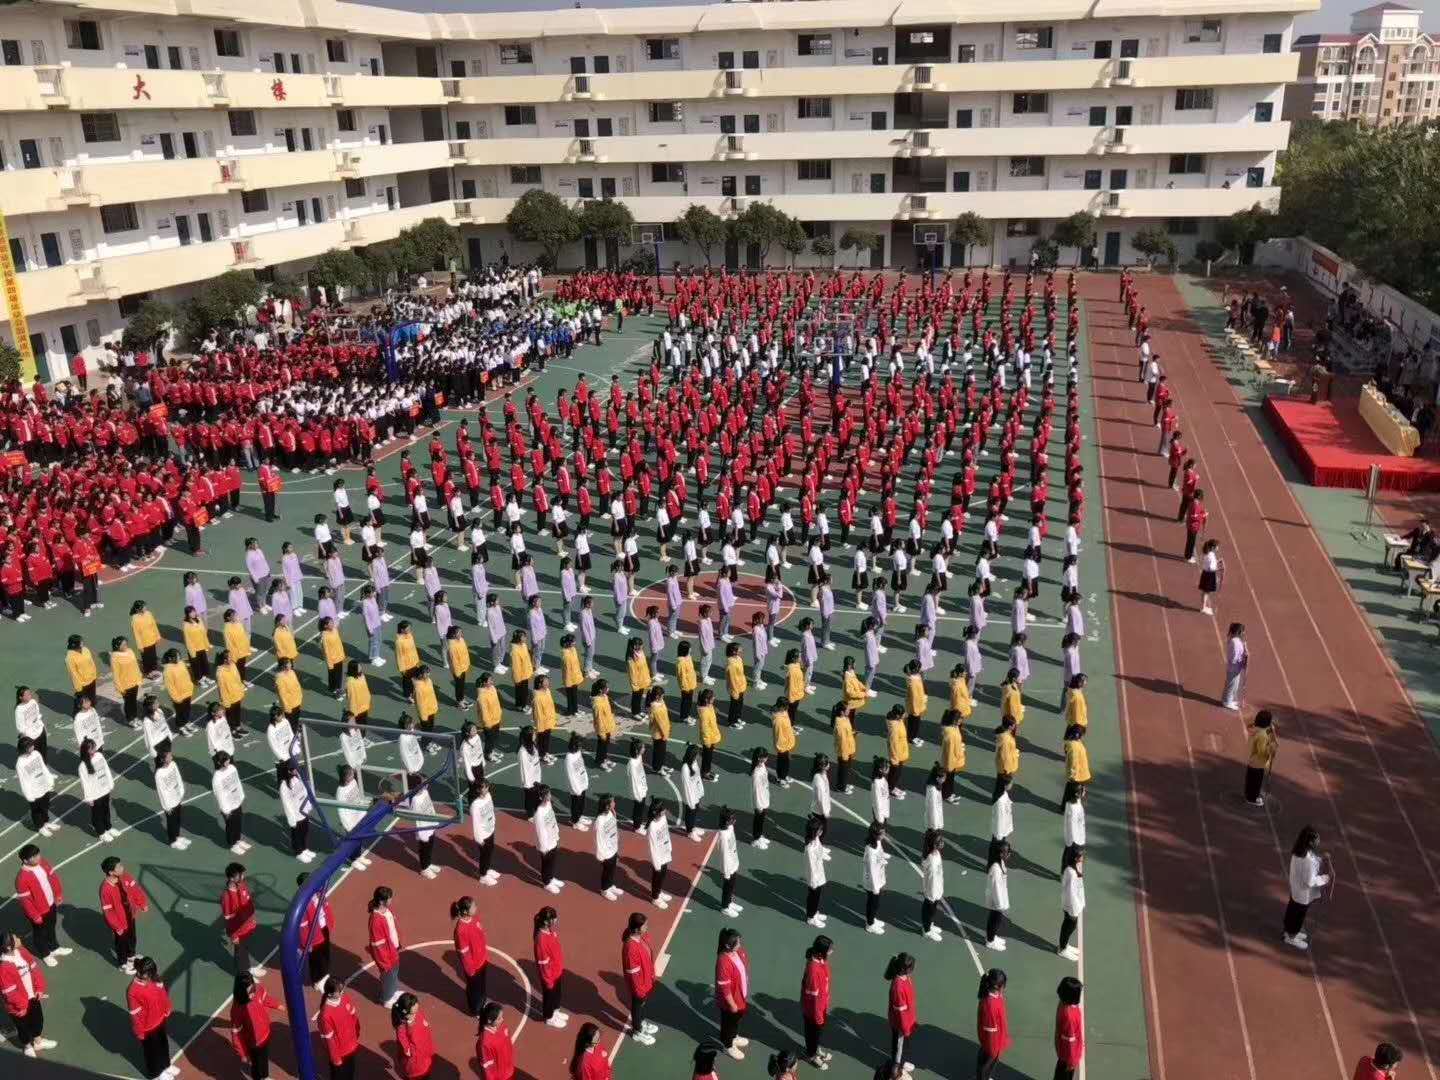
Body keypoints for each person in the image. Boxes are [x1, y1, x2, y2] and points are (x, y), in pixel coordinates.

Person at [0, 930, 53, 1058]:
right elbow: (10, 993)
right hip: (18, 1006)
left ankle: (38, 1042)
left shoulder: (22, 952)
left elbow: (35, 969)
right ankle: (27, 1046)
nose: (18, 938)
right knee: (23, 1027)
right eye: (15, 938)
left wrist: (39, 989)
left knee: (37, 1020)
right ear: (9, 947)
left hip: (32, 997)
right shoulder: (3, 968)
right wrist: (22, 1006)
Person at [15, 845, 69, 968]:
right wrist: (34, 915)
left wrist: (58, 893)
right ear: (25, 860)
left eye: (38, 854)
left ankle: (54, 947)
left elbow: (53, 877)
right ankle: (45, 954)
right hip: (38, 912)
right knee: (40, 933)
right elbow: (25, 901)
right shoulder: (22, 878)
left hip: (51, 904)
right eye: (34, 856)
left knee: (51, 927)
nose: (38, 857)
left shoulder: (43, 863)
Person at [127, 956, 178, 1080]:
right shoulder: (133, 991)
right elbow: (135, 1015)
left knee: (163, 1045)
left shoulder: (154, 978)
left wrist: (167, 1008)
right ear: (143, 973)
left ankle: (166, 1065)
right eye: (150, 974)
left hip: (160, 1020)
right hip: (148, 1028)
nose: (153, 976)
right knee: (152, 1052)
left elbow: (163, 994)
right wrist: (140, 1032)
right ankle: (155, 1074)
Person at [228, 970, 281, 1080]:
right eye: (249, 992)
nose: (253, 993)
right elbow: (236, 1034)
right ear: (241, 991)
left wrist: (277, 1005)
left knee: (264, 1058)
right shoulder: (237, 1009)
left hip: (265, 1035)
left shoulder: (257, 990)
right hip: (253, 1044)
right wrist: (243, 1053)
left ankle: (265, 1077)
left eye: (253, 989)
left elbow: (265, 998)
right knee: (256, 1066)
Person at [1283, 825, 1329, 950]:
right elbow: (1310, 881)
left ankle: (1288, 932)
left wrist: (1321, 858)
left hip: (1296, 889)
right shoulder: (1307, 859)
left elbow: (1311, 860)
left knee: (1292, 910)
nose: (1318, 841)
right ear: (1310, 842)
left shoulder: (1298, 852)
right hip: (1303, 894)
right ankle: (1291, 937)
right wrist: (1324, 879)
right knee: (1298, 916)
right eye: (1316, 840)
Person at [100, 856, 148, 971]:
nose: (122, 868)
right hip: (120, 922)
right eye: (119, 867)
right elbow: (108, 911)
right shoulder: (105, 889)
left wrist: (142, 903)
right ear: (111, 872)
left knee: (132, 937)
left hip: (130, 915)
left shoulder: (125, 877)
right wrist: (117, 926)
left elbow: (135, 889)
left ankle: (131, 956)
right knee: (121, 943)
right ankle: (123, 963)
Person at [621, 912, 660, 1046]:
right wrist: (639, 990)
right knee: (637, 1006)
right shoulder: (631, 948)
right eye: (645, 925)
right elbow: (633, 974)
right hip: (639, 986)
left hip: (645, 981)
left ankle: (640, 1022)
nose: (647, 927)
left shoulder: (640, 937)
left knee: (640, 1005)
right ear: (637, 929)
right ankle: (637, 1031)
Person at [220, 863, 262, 979]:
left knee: (246, 949)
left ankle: (248, 968)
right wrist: (234, 936)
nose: (243, 877)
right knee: (240, 955)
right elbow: (229, 919)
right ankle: (244, 975)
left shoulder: (242, 884)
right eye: (240, 875)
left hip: (248, 926)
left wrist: (252, 919)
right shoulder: (227, 897)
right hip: (238, 932)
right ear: (231, 878)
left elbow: (248, 902)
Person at [715, 928, 750, 1060]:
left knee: (735, 1021)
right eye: (737, 943)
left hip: (739, 997)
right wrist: (732, 1004)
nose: (740, 945)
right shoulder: (723, 962)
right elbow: (724, 988)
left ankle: (733, 1036)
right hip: (731, 1002)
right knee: (728, 1023)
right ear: (728, 946)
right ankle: (728, 1045)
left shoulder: (738, 952)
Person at [450, 896, 489, 1017]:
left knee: (481, 986)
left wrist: (484, 955)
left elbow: (481, 937)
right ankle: (475, 1010)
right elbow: (464, 953)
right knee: (474, 989)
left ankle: (482, 1002)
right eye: (473, 906)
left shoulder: (475, 919)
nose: (476, 907)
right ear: (466, 911)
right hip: (473, 967)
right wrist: (470, 971)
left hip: (482, 960)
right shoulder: (460, 930)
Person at [318, 977, 362, 1080]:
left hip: (350, 1046)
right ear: (330, 994)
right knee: (339, 1076)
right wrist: (336, 1059)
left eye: (342, 989)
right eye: (340, 991)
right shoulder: (325, 1015)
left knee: (350, 1072)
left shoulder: (345, 998)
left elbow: (353, 1016)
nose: (343, 992)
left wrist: (356, 1033)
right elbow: (329, 1041)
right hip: (340, 1053)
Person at [800, 935, 833, 1069]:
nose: (832, 951)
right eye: (829, 949)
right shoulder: (814, 971)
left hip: (819, 1007)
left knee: (816, 1034)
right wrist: (818, 1016)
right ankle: (811, 1055)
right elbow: (813, 999)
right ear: (821, 952)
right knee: (813, 1034)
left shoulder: (820, 960)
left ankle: (814, 1050)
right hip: (813, 1012)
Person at [367, 886, 403, 1006]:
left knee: (394, 974)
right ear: (382, 901)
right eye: (389, 898)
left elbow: (392, 928)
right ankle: (387, 999)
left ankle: (392, 991)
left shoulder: (387, 911)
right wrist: (384, 963)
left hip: (393, 950)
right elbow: (378, 946)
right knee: (388, 976)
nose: (391, 900)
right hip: (387, 956)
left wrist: (397, 943)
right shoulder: (376, 921)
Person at [534, 906, 569, 1028]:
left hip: (556, 971)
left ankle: (555, 1011)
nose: (555, 920)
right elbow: (543, 963)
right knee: (549, 997)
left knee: (556, 995)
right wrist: (548, 981)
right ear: (545, 921)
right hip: (550, 976)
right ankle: (549, 1017)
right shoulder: (541, 940)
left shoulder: (549, 931)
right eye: (553, 919)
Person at [975, 968, 1011, 1080]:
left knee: (985, 1063)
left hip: (993, 1043)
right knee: (986, 1066)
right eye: (1003, 985)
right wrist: (994, 1051)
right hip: (992, 1045)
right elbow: (990, 1033)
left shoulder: (994, 997)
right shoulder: (990, 1006)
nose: (1004, 987)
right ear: (996, 987)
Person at [884, 952, 918, 1072]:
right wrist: (905, 1028)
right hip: (902, 1025)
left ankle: (901, 1063)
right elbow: (900, 1014)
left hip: (907, 1022)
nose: (913, 969)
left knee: (903, 1047)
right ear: (904, 969)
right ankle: (896, 1070)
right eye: (912, 967)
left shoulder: (906, 977)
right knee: (899, 1048)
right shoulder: (898, 988)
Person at [391, 993, 435, 1080]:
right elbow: (407, 1051)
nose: (416, 1015)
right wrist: (410, 1027)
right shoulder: (401, 1029)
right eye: (412, 1013)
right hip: (416, 1068)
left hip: (425, 1060)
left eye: (417, 1010)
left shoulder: (419, 1014)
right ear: (405, 1013)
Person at [1054, 976, 1085, 1080]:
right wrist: (1071, 1062)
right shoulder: (1069, 1015)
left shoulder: (1063, 1006)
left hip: (1065, 1056)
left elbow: (1069, 1042)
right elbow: (1070, 1042)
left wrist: (1070, 1061)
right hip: (1067, 1057)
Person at [1244, 710, 1278, 807]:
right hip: (1258, 764)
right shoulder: (1263, 736)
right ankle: (1252, 799)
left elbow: (1269, 733)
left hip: (1253, 761)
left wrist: (1272, 731)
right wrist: (1270, 749)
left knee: (1251, 781)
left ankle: (1249, 795)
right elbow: (1262, 752)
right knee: (1256, 782)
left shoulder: (1258, 729)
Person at [1058, 846, 1085, 961]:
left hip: (1073, 903)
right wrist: (1074, 908)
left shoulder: (1074, 868)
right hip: (1071, 905)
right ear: (1075, 858)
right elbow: (1070, 892)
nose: (1083, 857)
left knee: (1071, 925)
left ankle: (1065, 945)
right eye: (1081, 856)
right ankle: (1062, 949)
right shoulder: (1071, 873)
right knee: (1069, 926)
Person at [985, 839, 1012, 951]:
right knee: (995, 920)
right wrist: (1000, 905)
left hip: (999, 897)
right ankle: (990, 941)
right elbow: (996, 888)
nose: (1009, 853)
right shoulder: (996, 869)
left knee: (996, 919)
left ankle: (992, 936)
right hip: (996, 900)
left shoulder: (1000, 863)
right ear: (1001, 854)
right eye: (1007, 851)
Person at [477, 1003, 516, 1080]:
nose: (502, 1020)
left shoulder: (503, 1027)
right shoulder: (484, 1043)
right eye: (499, 1019)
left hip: (509, 1071)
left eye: (502, 1017)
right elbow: (487, 1068)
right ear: (489, 1020)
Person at [1222, 622, 1248, 711]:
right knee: (1231, 685)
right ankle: (1227, 702)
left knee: (1235, 685)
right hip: (1233, 668)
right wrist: (1243, 659)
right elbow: (1233, 658)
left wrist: (1244, 649)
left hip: (1236, 667)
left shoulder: (1238, 640)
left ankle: (1229, 699)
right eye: (1243, 631)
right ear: (1239, 631)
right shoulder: (1234, 642)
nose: (1244, 633)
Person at [1198, 538, 1222, 615]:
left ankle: (1203, 606)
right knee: (1206, 592)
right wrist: (1219, 569)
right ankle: (1203, 608)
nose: (1218, 548)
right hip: (1209, 575)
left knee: (1205, 592)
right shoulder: (1210, 555)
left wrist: (1217, 562)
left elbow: (1210, 564)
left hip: (1206, 574)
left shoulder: (1209, 553)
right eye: (1217, 546)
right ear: (1213, 547)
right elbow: (1211, 568)